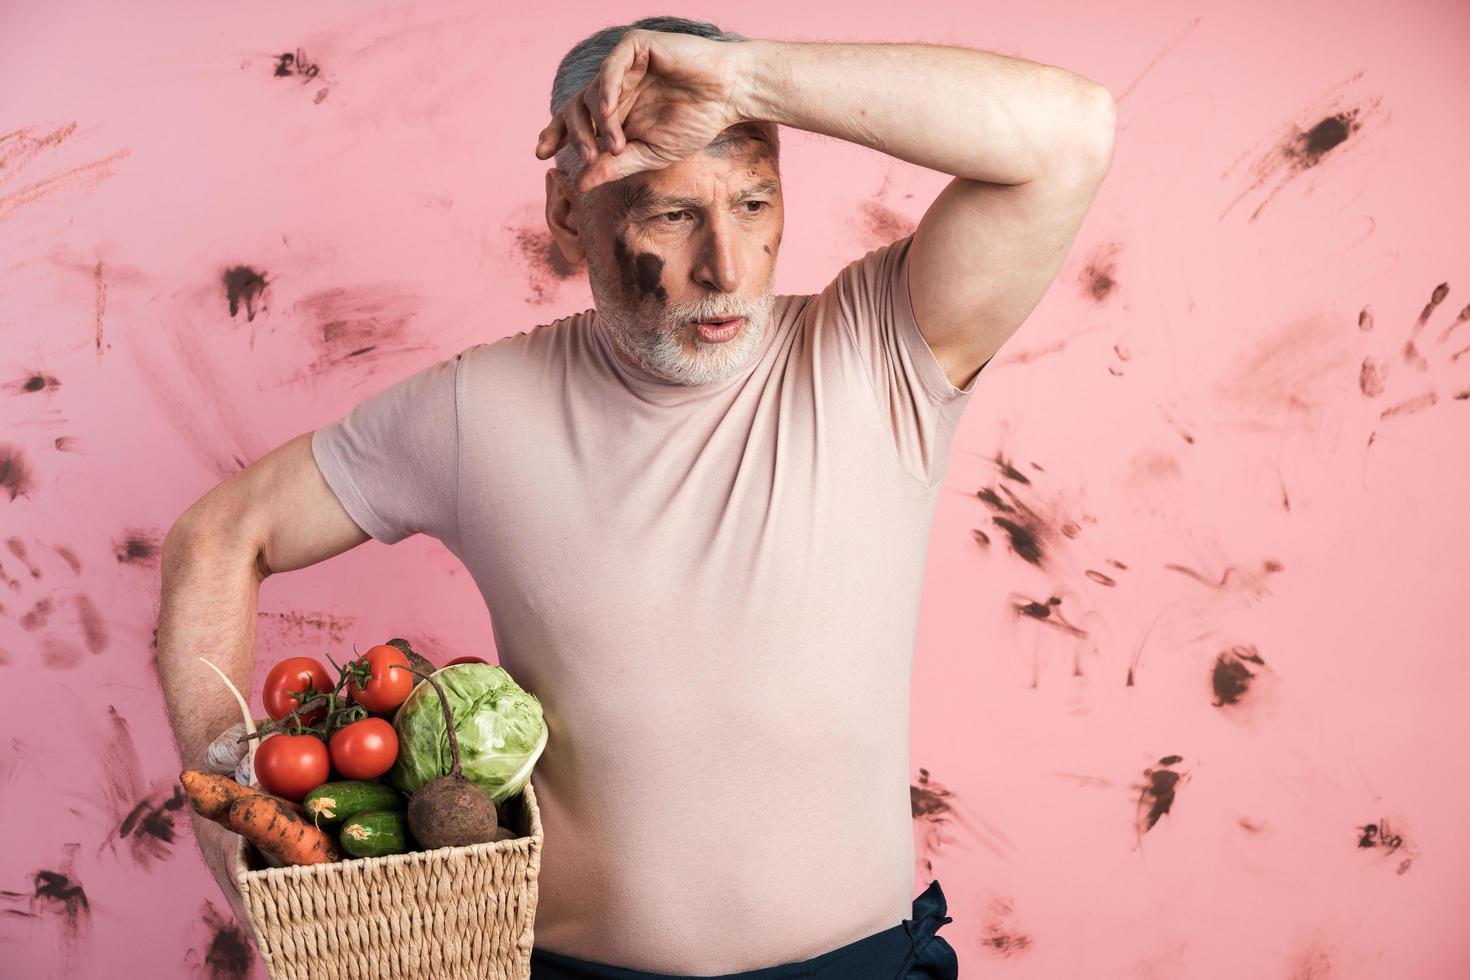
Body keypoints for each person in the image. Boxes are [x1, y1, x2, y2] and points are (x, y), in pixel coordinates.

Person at [157, 14, 1114, 979]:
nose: (727, 269)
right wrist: (222, 802)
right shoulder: (473, 410)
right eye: (670, 214)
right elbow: (220, 536)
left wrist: (748, 82)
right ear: (572, 215)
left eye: (752, 204)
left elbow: (1071, 132)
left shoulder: (880, 351)